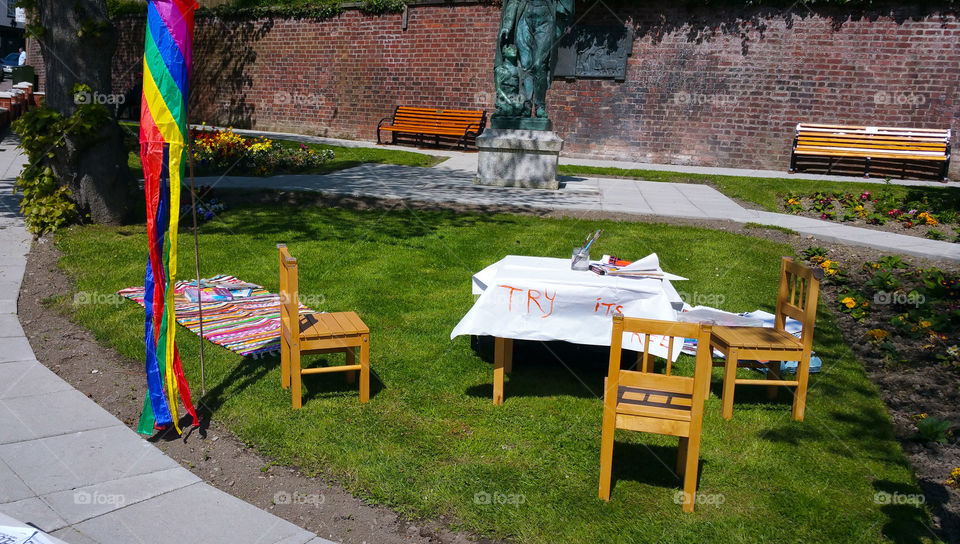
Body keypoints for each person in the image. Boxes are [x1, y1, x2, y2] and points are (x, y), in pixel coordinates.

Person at [494, 0, 574, 119]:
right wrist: (507, 24)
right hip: (524, 14)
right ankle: (526, 106)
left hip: (546, 16)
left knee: (538, 64)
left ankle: (540, 106)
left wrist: (560, 15)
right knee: (525, 64)